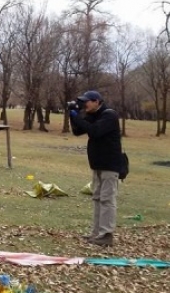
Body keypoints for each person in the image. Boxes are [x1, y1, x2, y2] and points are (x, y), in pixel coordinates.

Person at [69, 90, 123, 247]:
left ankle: (106, 234)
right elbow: (78, 131)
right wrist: (73, 116)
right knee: (97, 198)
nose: (84, 104)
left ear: (97, 101)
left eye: (87, 101)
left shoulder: (109, 115)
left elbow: (95, 131)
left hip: (110, 165)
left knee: (107, 199)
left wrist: (78, 117)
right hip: (97, 164)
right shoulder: (94, 115)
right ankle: (96, 233)